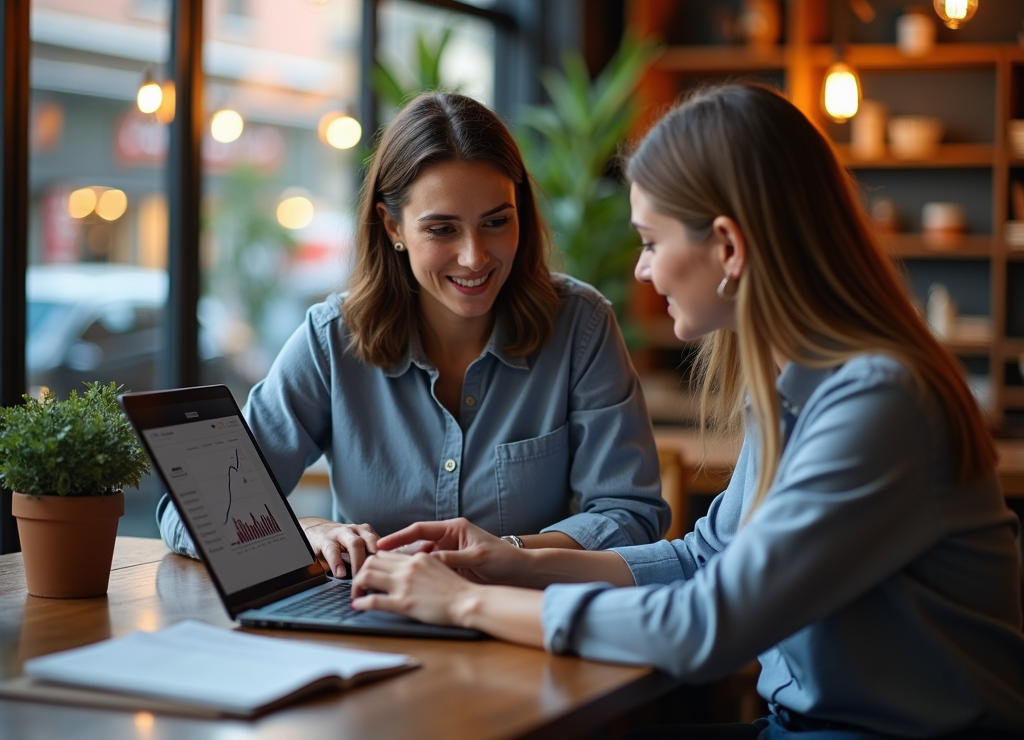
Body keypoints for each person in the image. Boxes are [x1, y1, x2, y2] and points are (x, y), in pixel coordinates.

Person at [349, 83, 1024, 739]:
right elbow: (709, 556)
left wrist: (465, 601)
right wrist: (512, 559)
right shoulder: (799, 387)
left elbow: (708, 627)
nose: (642, 272)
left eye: (649, 241)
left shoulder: (876, 404)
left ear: (727, 248)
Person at [157, 92, 669, 577]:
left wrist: (511, 554)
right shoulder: (332, 340)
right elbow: (189, 513)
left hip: (522, 629)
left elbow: (631, 512)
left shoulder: (580, 326)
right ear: (392, 227)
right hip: (371, 624)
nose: (475, 256)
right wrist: (305, 530)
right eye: (442, 229)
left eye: (496, 222)